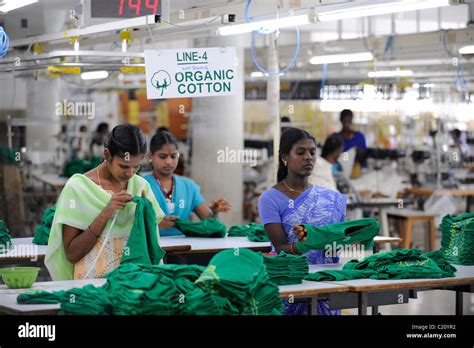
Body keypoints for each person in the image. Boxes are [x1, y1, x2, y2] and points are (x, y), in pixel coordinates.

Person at [45, 124, 164, 281]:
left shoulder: (141, 186)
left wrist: (145, 217)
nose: (130, 173)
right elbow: (72, 254)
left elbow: (151, 246)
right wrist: (105, 214)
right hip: (92, 283)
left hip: (132, 283)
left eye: (136, 167)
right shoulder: (79, 188)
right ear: (107, 154)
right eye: (124, 166)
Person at [258, 128, 347, 315]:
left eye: (312, 152)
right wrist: (303, 245)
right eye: (301, 152)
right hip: (291, 282)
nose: (308, 157)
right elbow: (280, 247)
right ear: (285, 158)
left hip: (327, 281)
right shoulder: (270, 198)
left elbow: (338, 242)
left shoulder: (331, 198)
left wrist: (354, 235)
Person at [144, 130, 231, 236]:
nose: (168, 162)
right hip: (149, 248)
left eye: (173, 156)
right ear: (151, 156)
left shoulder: (189, 187)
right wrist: (154, 224)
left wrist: (215, 212)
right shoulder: (141, 184)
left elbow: (209, 224)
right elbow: (129, 223)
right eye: (162, 156)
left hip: (184, 248)